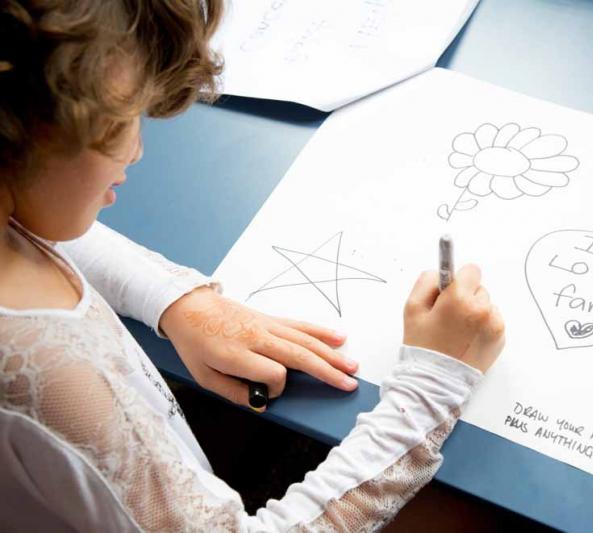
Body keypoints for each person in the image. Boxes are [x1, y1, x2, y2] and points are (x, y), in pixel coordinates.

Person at [0, 1, 506, 531]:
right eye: (118, 122)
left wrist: (173, 299)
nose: (136, 150)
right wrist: (431, 387)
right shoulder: (58, 384)